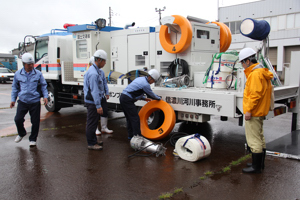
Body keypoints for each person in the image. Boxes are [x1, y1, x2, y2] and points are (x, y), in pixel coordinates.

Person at [239, 47, 273, 173]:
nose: (242, 66)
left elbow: (254, 95)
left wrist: (248, 111)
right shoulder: (261, 72)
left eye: (242, 62)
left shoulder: (255, 75)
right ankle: (259, 164)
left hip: (254, 112)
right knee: (259, 137)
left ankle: (256, 167)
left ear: (248, 61)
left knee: (254, 140)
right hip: (259, 111)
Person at [10, 52, 48, 147]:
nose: (31, 66)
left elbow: (43, 86)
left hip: (34, 101)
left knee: (35, 122)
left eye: (32, 64)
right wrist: (13, 100)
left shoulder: (38, 74)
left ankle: (33, 139)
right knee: (18, 119)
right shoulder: (18, 74)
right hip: (23, 101)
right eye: (29, 64)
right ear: (23, 64)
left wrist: (46, 96)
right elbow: (15, 88)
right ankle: (22, 133)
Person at [120, 69, 161, 140]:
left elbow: (135, 91)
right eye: (153, 81)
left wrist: (144, 99)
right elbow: (151, 94)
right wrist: (159, 98)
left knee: (129, 118)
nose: (152, 82)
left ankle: (131, 136)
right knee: (135, 119)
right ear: (150, 77)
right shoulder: (145, 84)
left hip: (123, 97)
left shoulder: (140, 79)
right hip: (127, 100)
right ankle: (137, 137)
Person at [84, 50, 112, 150]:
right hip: (92, 102)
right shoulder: (93, 74)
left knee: (94, 121)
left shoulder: (97, 71)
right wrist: (98, 105)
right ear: (99, 60)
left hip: (95, 100)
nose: (105, 63)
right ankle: (91, 144)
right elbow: (94, 91)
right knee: (92, 123)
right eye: (104, 61)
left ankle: (94, 141)